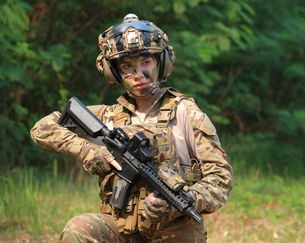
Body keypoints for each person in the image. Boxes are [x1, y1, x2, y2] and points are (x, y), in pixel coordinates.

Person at [30, 14, 233, 242]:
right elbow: (42, 129)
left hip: (174, 230)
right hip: (120, 229)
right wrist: (88, 150)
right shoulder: (106, 117)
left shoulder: (185, 113)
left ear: (161, 63)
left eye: (146, 62)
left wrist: (185, 198)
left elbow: (221, 177)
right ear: (114, 72)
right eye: (127, 66)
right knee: (79, 229)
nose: (139, 74)